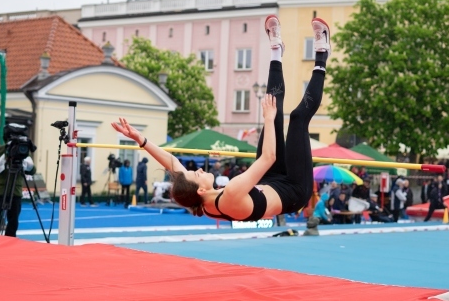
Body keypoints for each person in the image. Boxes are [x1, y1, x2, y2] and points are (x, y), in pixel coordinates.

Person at [111, 15, 331, 222]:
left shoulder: (198, 197)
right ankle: (322, 52)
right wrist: (267, 118)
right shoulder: (231, 193)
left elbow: (172, 163)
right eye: (195, 173)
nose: (196, 170)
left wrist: (140, 139)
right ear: (201, 189)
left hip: (268, 182)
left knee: (272, 108)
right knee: (296, 118)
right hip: (294, 190)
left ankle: (276, 50)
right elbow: (269, 157)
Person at [0, 124, 37, 237]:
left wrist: (26, 164)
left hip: (15, 192)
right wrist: (3, 159)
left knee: (13, 223)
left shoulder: (24, 152)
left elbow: (32, 170)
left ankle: (9, 244)